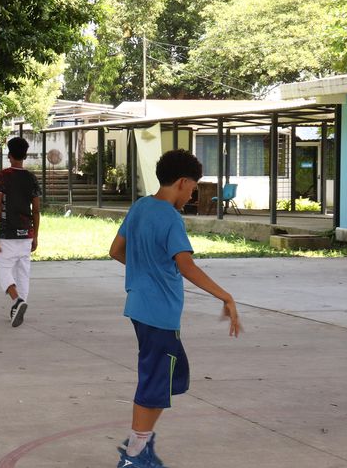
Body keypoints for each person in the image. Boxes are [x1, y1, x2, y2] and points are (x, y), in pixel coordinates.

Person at [108, 149, 242, 467]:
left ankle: (140, 442)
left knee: (170, 378)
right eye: (193, 188)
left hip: (142, 309)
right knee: (155, 381)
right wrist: (225, 296)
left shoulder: (140, 206)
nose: (193, 194)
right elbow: (186, 265)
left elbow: (116, 250)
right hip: (158, 314)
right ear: (182, 182)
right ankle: (134, 457)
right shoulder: (170, 217)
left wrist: (145, 269)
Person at [0, 136, 41, 327]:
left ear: (9, 155)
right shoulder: (31, 178)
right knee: (23, 273)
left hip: (6, 233)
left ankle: (17, 300)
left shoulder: (1, 177)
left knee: (5, 270)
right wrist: (35, 234)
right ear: (25, 156)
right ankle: (20, 306)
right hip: (26, 234)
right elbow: (36, 210)